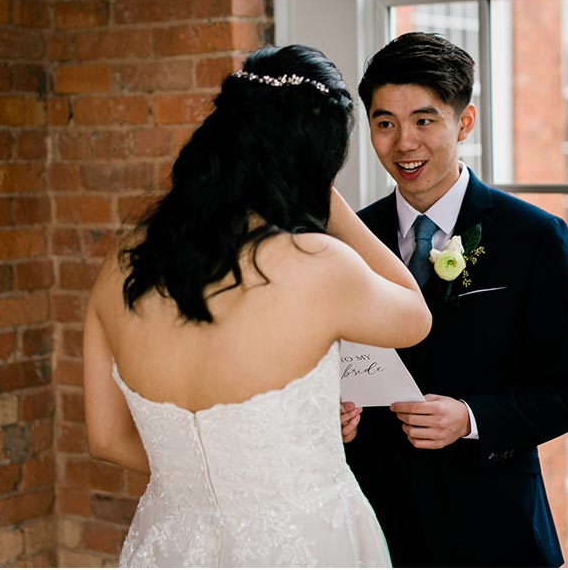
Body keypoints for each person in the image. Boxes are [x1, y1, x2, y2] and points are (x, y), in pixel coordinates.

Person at [82, 44, 433, 567]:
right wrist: (327, 202)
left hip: (170, 546)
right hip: (302, 545)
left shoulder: (122, 268)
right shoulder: (316, 264)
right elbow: (415, 314)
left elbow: (106, 438)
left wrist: (210, 484)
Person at [340, 32, 568, 567]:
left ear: (465, 122)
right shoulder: (347, 241)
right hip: (375, 529)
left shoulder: (535, 237)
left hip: (494, 528)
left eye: (424, 120)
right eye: (385, 123)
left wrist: (471, 417)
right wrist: (331, 417)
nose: (404, 143)